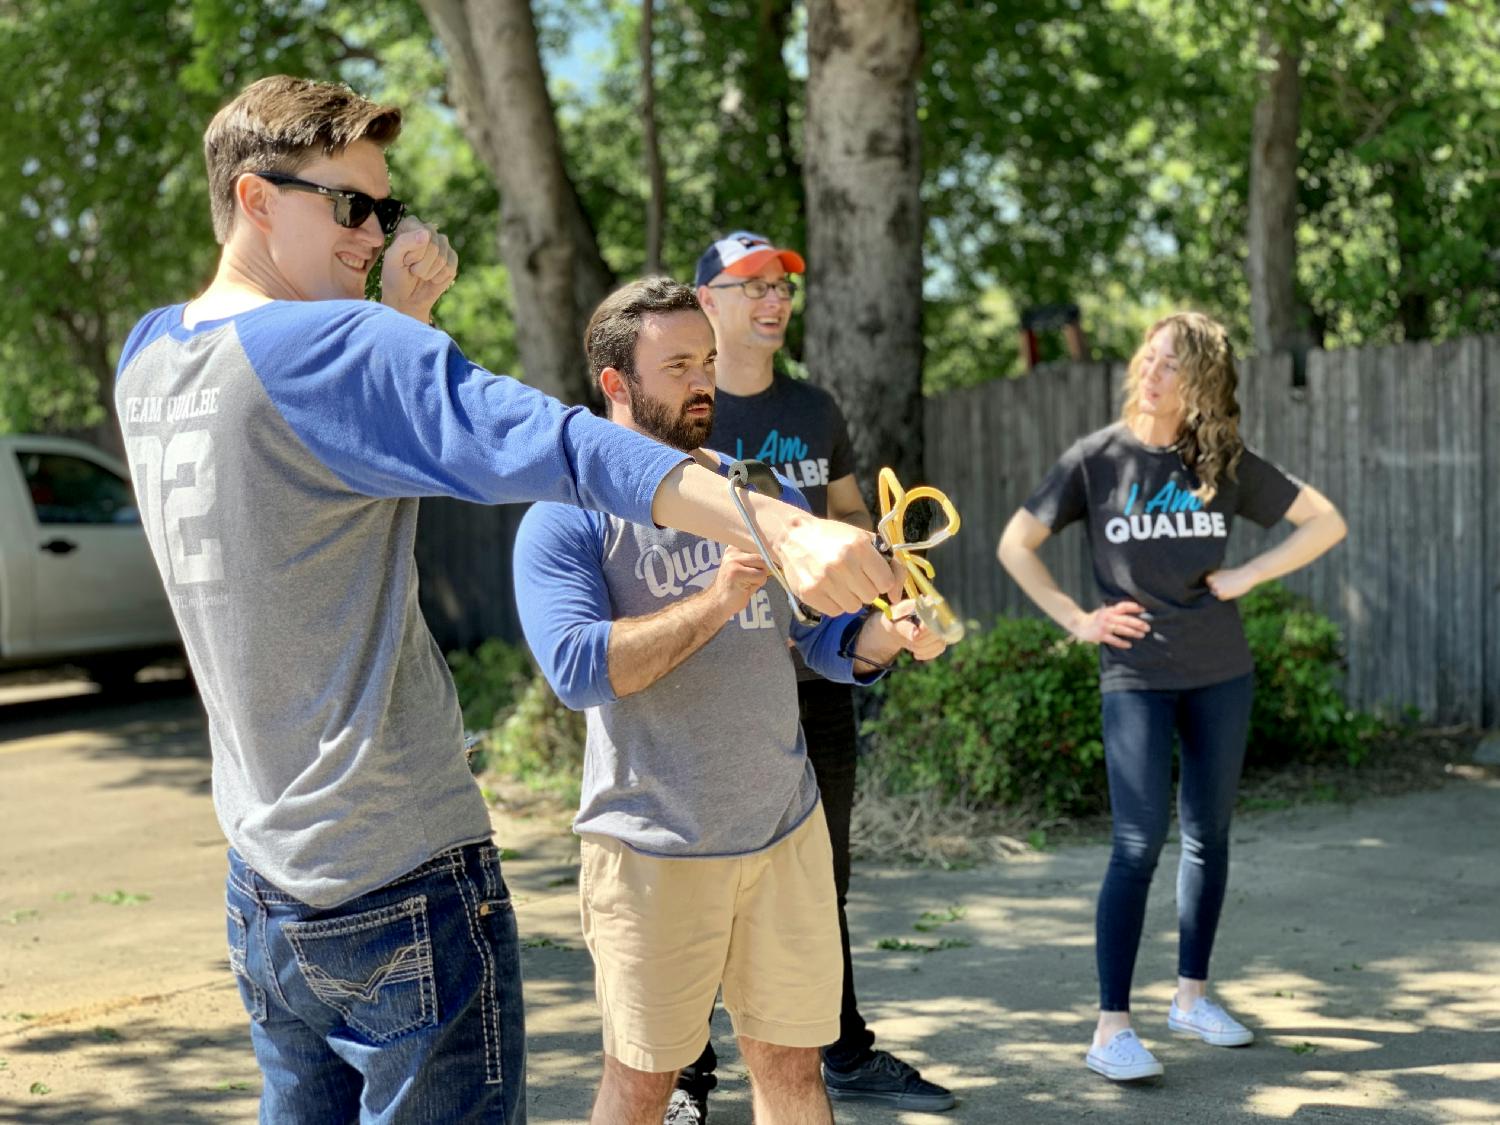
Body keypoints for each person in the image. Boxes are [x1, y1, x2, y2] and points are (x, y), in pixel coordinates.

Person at [113, 76, 902, 1124]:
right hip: (397, 876)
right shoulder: (342, 350)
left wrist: (393, 312)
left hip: (266, 881)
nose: (378, 233)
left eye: (385, 209)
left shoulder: (150, 357)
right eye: (351, 206)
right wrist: (785, 525)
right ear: (256, 201)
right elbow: (566, 445)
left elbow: (311, 463)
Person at [511, 277, 949, 1125]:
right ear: (616, 385)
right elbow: (575, 668)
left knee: (791, 1071)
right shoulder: (565, 515)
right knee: (645, 1084)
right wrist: (715, 597)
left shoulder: (754, 495)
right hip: (652, 846)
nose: (703, 379)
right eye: (677, 364)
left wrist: (890, 636)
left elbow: (811, 642)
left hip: (783, 830)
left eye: (706, 359)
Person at [997, 312, 1347, 1082]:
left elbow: (1325, 521)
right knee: (1135, 842)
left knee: (1207, 836)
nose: (1153, 376)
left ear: (1201, 388)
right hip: (1135, 674)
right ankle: (1110, 1027)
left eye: (1173, 368)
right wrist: (1078, 618)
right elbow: (1014, 544)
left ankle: (1191, 997)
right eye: (1150, 360)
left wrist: (1250, 575)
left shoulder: (1217, 459)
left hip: (1220, 669)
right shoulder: (1097, 459)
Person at [665, 231, 955, 1120]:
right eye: (750, 285)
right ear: (706, 301)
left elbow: (852, 518)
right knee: (703, 884)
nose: (773, 299)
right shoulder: (691, 409)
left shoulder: (817, 409)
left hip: (821, 682)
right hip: (714, 684)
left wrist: (892, 593)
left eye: (782, 285)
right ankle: (686, 1076)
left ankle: (842, 1049)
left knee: (819, 876)